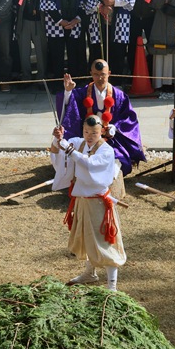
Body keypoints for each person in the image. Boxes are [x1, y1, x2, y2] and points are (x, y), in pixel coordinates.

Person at [50, 114, 126, 291]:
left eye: (94, 132)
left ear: (102, 132)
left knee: (105, 241)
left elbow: (90, 165)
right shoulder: (79, 143)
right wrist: (57, 138)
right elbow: (58, 150)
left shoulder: (106, 150)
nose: (89, 135)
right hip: (82, 200)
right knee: (85, 238)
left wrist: (68, 149)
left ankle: (112, 285)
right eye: (86, 131)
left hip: (99, 203)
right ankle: (90, 273)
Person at [56, 59, 146, 177]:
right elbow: (70, 106)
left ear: (109, 73)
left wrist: (115, 128)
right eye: (96, 74)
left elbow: (128, 118)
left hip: (110, 138)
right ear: (91, 74)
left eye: (103, 74)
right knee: (77, 158)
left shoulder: (119, 95)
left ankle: (109, 179)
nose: (99, 78)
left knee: (120, 159)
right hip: (87, 137)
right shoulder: (84, 93)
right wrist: (68, 92)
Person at [84, 0, 136, 85]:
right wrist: (100, 7)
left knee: (118, 50)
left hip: (119, 20)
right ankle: (97, 83)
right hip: (98, 20)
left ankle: (117, 83)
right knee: (98, 50)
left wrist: (114, 1)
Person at [40, 0, 87, 83]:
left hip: (75, 21)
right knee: (56, 53)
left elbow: (84, 1)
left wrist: (76, 20)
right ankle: (57, 82)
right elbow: (47, 3)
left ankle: (74, 82)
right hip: (55, 22)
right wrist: (61, 21)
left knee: (74, 53)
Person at [15, 0, 47, 84]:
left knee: (41, 50)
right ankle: (26, 77)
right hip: (25, 21)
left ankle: (41, 77)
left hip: (40, 21)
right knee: (24, 50)